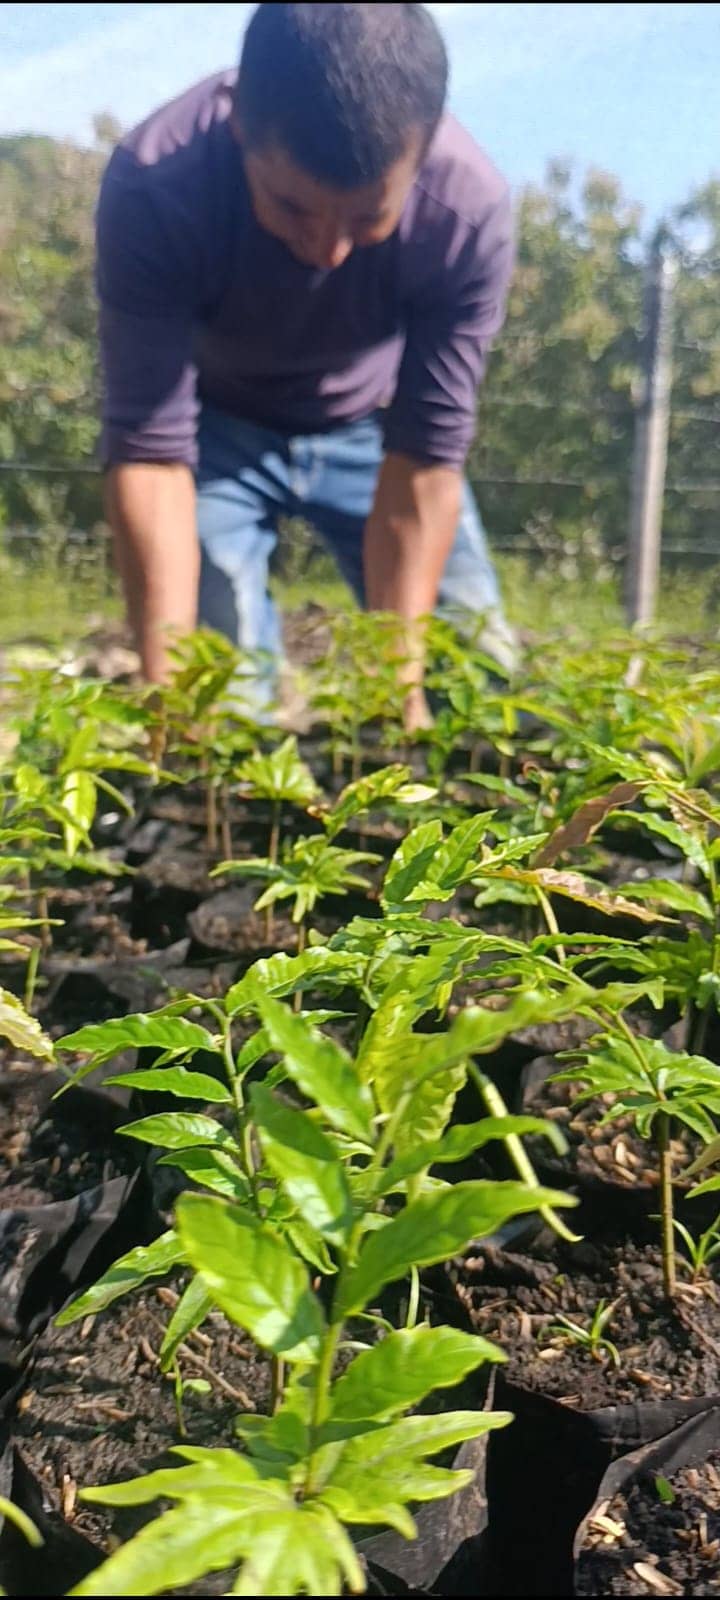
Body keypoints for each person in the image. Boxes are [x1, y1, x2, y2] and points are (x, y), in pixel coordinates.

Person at [97, 1, 518, 730]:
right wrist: (170, 701)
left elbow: (425, 460)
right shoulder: (157, 183)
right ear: (239, 129)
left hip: (373, 435)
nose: (327, 251)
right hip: (212, 434)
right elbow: (151, 454)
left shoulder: (467, 212)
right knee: (216, 702)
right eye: (293, 208)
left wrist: (398, 687)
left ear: (421, 157)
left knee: (472, 678)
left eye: (367, 220)